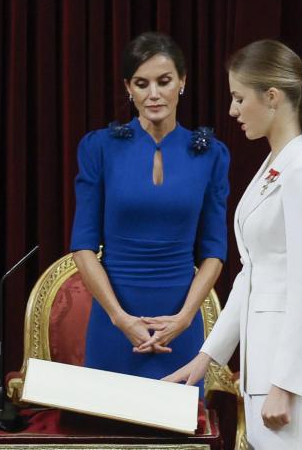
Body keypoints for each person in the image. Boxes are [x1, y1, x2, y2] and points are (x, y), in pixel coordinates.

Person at [165, 39, 302, 448]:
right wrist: (207, 355)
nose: (232, 111)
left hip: (293, 373)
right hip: (264, 362)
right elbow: (254, 273)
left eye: (238, 98)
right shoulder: (275, 164)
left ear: (271, 97)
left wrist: (284, 383)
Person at [69, 32, 229, 384]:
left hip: (180, 327)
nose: (153, 94)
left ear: (182, 82)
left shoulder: (211, 154)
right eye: (142, 84)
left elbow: (214, 251)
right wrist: (120, 318)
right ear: (129, 88)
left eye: (164, 81)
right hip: (114, 326)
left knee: (179, 435)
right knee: (109, 435)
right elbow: (82, 247)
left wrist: (185, 318)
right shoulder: (99, 148)